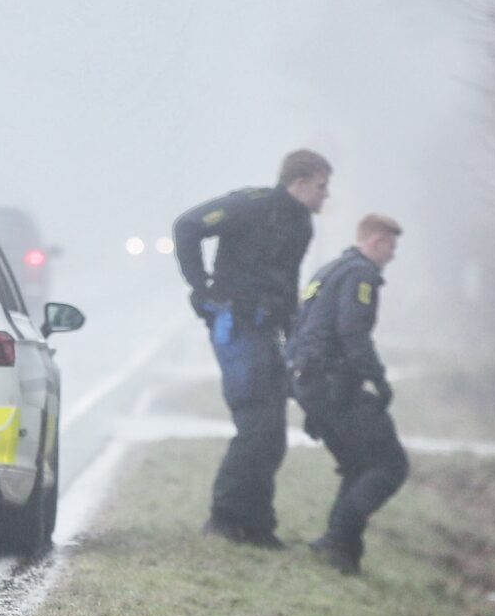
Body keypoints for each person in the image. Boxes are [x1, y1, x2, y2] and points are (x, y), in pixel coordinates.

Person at [173, 149, 332, 546]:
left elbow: (287, 283)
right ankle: (223, 520)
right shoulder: (250, 206)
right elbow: (187, 226)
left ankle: (259, 527)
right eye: (321, 186)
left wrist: (294, 338)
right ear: (299, 183)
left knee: (273, 433)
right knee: (256, 425)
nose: (325, 195)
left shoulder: (302, 224)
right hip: (237, 328)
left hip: (268, 333)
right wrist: (201, 287)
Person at [290, 213, 410, 573]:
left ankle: (340, 546)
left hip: (313, 383)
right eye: (390, 247)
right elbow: (353, 332)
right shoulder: (361, 276)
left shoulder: (326, 272)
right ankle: (339, 541)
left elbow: (300, 327)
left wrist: (305, 392)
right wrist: (378, 379)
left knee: (359, 464)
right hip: (333, 384)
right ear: (376, 241)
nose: (392, 256)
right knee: (389, 465)